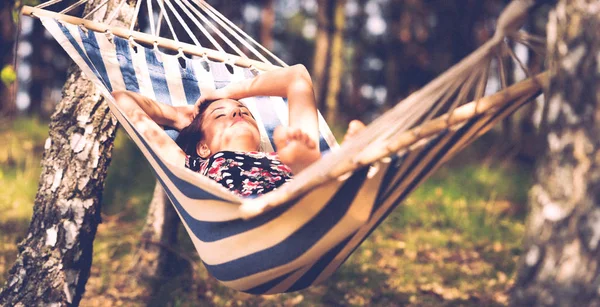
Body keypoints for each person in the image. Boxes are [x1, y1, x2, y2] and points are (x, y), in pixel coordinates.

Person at [112, 64, 364, 197]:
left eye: (243, 112)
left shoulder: (282, 152)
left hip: (309, 205)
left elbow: (297, 77)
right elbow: (121, 99)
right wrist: (179, 117)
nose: (235, 112)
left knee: (303, 159)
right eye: (221, 115)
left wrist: (224, 94)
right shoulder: (192, 167)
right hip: (251, 219)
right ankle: (345, 163)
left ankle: (332, 169)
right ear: (203, 147)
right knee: (306, 162)